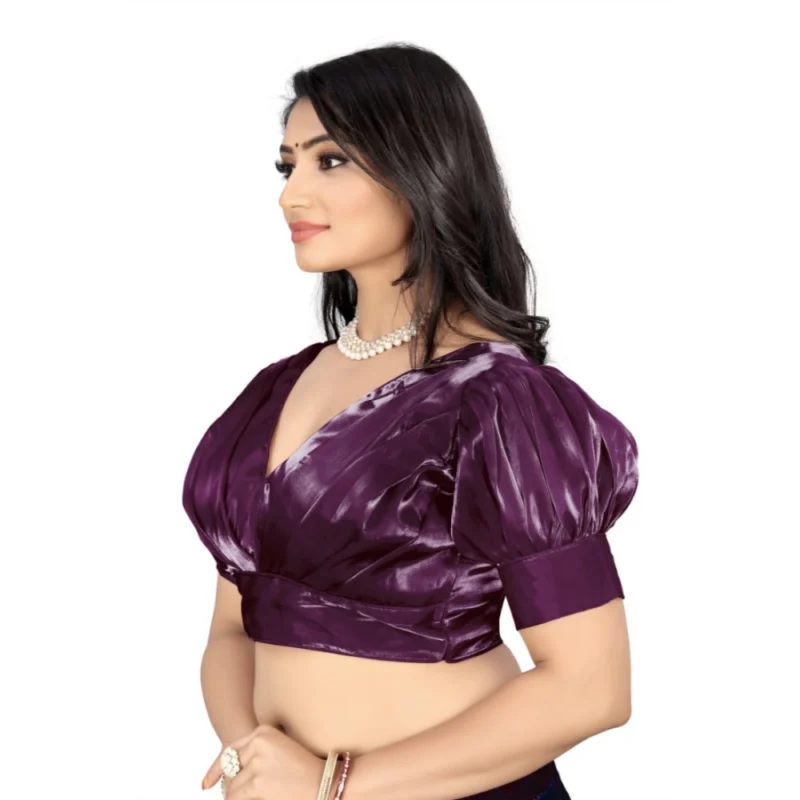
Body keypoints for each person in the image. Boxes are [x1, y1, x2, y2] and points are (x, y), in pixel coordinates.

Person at [183, 43, 640, 800]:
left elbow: (592, 687)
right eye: (286, 166)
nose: (291, 195)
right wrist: (250, 762)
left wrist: (332, 785)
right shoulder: (272, 392)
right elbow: (233, 629)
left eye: (330, 161)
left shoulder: (501, 399)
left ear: (422, 167)